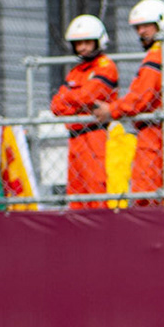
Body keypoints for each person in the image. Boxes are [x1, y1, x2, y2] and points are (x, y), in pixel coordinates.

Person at [94, 0, 164, 203]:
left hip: (156, 130)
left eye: (146, 26)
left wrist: (112, 110)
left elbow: (140, 97)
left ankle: (148, 231)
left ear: (161, 23)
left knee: (145, 191)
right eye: (138, 27)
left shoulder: (158, 54)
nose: (141, 31)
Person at [51, 15, 118, 209]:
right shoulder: (76, 72)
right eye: (78, 43)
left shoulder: (106, 67)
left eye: (87, 42)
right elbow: (56, 105)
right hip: (75, 139)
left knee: (97, 193)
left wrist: (72, 99)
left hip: (96, 137)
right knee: (76, 196)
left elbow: (89, 96)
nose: (82, 48)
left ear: (99, 41)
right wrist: (78, 101)